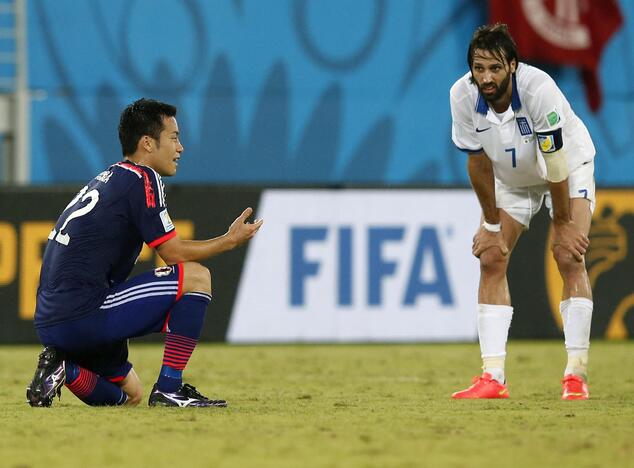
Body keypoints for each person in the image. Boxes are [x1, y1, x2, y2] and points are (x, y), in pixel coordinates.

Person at [27, 98, 263, 408]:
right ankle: (169, 389)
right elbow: (174, 254)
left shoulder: (108, 178)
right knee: (196, 277)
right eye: (175, 138)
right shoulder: (144, 178)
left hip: (50, 319)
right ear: (148, 143)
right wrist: (228, 241)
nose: (181, 148)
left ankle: (64, 369)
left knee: (131, 395)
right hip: (84, 309)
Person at [449, 24, 595, 400]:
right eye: (479, 69)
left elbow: (556, 158)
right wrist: (492, 223)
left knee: (568, 254)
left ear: (512, 65)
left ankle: (575, 375)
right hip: (511, 181)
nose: (486, 77)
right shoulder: (461, 96)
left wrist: (562, 222)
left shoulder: (538, 88)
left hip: (565, 167)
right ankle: (492, 377)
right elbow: (478, 163)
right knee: (491, 257)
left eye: (495, 68)